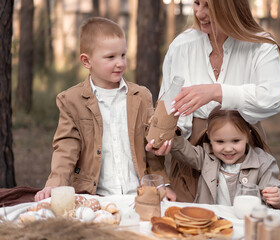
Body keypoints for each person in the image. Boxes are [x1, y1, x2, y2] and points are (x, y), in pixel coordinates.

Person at [147, 0, 280, 202]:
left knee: (243, 216)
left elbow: (272, 98)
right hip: (191, 152)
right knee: (191, 221)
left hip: (243, 147)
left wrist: (217, 92)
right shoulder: (182, 45)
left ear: (230, 7)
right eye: (196, 3)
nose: (199, 13)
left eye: (208, 6)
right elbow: (168, 105)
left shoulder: (260, 46)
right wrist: (165, 136)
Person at [35, 17, 176, 201]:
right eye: (111, 57)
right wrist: (55, 183)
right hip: (94, 197)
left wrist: (162, 184)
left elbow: (151, 151)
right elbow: (66, 148)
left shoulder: (141, 96)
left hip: (140, 195)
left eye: (123, 55)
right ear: (86, 61)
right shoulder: (71, 101)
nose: (120, 63)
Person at [170, 106, 280, 209]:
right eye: (220, 141)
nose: (228, 149)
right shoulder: (205, 157)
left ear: (248, 136)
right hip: (211, 224)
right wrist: (172, 131)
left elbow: (278, 193)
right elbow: (183, 150)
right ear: (209, 137)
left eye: (235, 141)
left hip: (246, 226)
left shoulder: (263, 163)